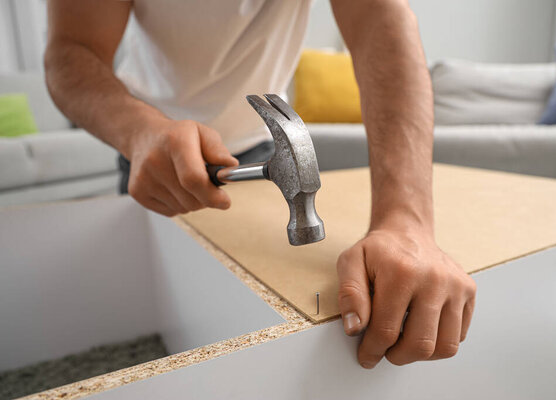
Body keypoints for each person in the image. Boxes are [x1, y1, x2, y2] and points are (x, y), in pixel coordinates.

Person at [44, 0, 476, 369]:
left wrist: (407, 219)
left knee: (247, 311)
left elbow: (378, 18)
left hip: (257, 146)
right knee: (158, 312)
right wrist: (137, 131)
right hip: (149, 148)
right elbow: (71, 51)